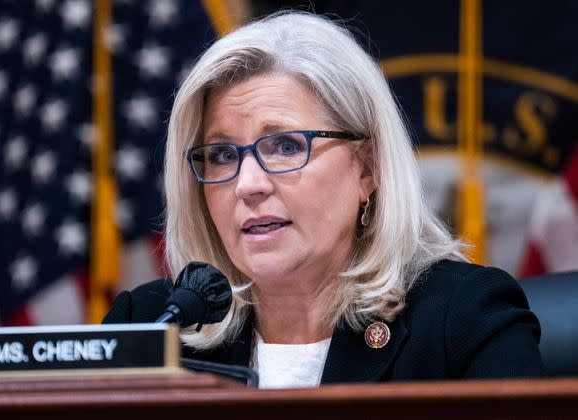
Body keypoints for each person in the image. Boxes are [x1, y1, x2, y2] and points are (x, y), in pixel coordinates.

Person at [103, 12, 543, 387]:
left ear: (367, 169)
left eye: (286, 147)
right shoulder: (149, 325)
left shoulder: (463, 322)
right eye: (221, 155)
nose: (247, 184)